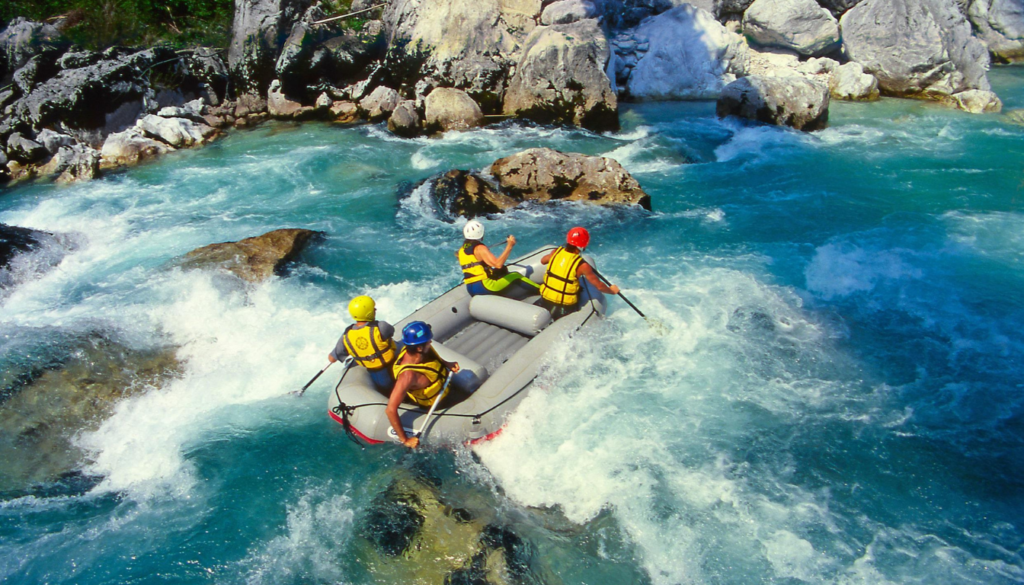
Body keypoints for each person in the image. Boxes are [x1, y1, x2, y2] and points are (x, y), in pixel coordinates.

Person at [386, 321, 460, 448]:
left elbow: (432, 359)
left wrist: (447, 363)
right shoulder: (407, 376)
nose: (430, 343)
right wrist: (405, 440)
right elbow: (390, 410)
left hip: (445, 388)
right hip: (437, 404)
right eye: (428, 342)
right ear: (419, 348)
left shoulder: (418, 351)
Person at [539, 227, 620, 320]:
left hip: (545, 299)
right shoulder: (582, 266)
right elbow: (599, 286)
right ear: (584, 245)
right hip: (564, 307)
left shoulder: (555, 252)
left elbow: (542, 261)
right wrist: (612, 291)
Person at [329, 295, 397, 391]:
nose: (375, 309)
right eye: (373, 309)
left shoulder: (346, 336)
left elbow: (331, 359)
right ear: (369, 313)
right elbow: (391, 332)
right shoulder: (381, 326)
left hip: (374, 374)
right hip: (391, 366)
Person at [457, 219, 541, 297]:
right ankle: (542, 291)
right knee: (515, 276)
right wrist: (509, 246)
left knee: (501, 271)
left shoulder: (461, 250)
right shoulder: (480, 248)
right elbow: (498, 264)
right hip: (484, 286)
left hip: (470, 288)